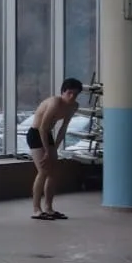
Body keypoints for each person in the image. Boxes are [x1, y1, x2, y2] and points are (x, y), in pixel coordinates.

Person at [27, 79, 83, 220]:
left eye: (75, 94)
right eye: (69, 93)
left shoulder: (73, 106)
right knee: (43, 171)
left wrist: (54, 149)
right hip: (36, 133)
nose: (72, 97)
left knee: (53, 173)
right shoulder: (55, 102)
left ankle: (49, 208)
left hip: (48, 135)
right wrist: (47, 152)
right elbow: (42, 128)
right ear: (63, 92)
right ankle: (36, 209)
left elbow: (63, 128)